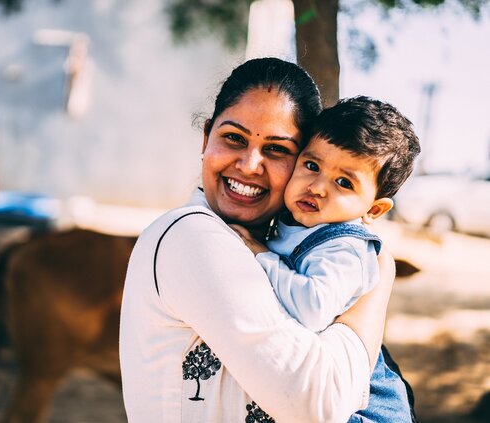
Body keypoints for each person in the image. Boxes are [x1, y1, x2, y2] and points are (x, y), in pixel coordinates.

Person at [119, 57, 411, 422]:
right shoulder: (193, 237)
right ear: (206, 137)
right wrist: (377, 287)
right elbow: (319, 404)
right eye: (233, 139)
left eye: (276, 149)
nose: (249, 164)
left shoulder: (290, 242)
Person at [231, 96, 421, 422]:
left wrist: (259, 254)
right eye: (312, 166)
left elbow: (311, 307)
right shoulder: (292, 222)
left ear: (373, 209)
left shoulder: (345, 248)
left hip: (364, 410)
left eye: (344, 182)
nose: (317, 187)